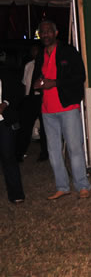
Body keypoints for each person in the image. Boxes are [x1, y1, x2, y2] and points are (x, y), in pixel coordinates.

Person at [32, 19, 91, 200]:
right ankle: (62, 186)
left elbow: (80, 76)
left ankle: (82, 185)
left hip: (67, 107)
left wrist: (55, 83)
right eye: (43, 32)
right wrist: (38, 84)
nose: (46, 34)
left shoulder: (68, 51)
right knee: (53, 151)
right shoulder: (41, 55)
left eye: (49, 31)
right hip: (47, 110)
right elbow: (36, 80)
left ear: (56, 33)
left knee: (74, 148)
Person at [17, 42, 48, 162]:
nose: (34, 52)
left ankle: (45, 152)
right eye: (32, 50)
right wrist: (25, 98)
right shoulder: (28, 65)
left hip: (41, 97)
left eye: (36, 50)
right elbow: (25, 83)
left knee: (45, 127)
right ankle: (19, 153)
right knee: (25, 126)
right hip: (30, 98)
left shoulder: (44, 64)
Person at [1, 67, 26, 203]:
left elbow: (18, 91)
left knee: (8, 156)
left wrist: (5, 103)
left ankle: (16, 194)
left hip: (4, 121)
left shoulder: (6, 73)